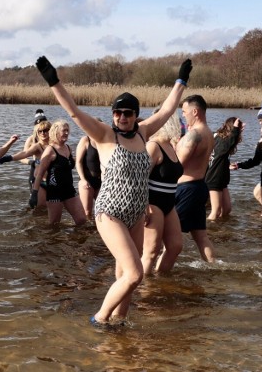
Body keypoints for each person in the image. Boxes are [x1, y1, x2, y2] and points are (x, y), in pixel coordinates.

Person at [35, 55, 192, 327]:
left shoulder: (143, 133)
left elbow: (167, 110)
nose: (122, 117)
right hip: (110, 212)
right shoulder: (105, 135)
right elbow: (74, 112)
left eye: (127, 113)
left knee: (124, 274)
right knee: (135, 274)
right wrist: (53, 81)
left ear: (135, 115)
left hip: (136, 214)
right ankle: (99, 319)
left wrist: (181, 81)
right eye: (117, 113)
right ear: (113, 115)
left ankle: (119, 321)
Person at [174, 95, 216, 264]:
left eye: (184, 112)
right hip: (199, 186)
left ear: (195, 111)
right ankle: (214, 267)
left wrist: (172, 146)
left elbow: (177, 165)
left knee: (168, 233)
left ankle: (159, 272)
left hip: (186, 189)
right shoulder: (208, 133)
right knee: (201, 236)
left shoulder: (194, 135)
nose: (183, 115)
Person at [141, 111, 184, 275]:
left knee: (175, 247)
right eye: (177, 121)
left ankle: (159, 283)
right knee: (151, 251)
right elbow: (141, 178)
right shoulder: (153, 146)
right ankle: (141, 289)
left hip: (169, 204)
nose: (180, 124)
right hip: (153, 203)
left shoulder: (171, 146)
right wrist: (144, 207)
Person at [30, 120, 86, 225]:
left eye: (67, 130)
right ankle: (51, 241)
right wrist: (34, 194)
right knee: (54, 225)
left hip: (69, 190)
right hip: (54, 191)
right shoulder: (50, 150)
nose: (66, 133)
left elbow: (70, 164)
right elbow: (40, 173)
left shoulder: (68, 148)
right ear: (55, 132)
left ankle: (73, 240)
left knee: (82, 220)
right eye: (63, 131)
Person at [0, 119, 52, 208]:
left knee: (54, 206)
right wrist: (10, 157)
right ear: (37, 133)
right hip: (41, 182)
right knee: (41, 207)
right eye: (40, 131)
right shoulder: (37, 146)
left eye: (46, 130)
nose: (43, 133)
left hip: (54, 181)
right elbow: (25, 153)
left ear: (51, 131)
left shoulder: (55, 145)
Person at [205, 117, 245, 220]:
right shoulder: (222, 140)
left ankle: (220, 229)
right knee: (216, 211)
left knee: (226, 209)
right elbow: (229, 143)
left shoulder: (220, 139)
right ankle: (207, 232)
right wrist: (236, 130)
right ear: (231, 129)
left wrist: (227, 165)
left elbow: (220, 155)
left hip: (221, 179)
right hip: (214, 178)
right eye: (237, 130)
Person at [75, 126, 102, 219]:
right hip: (87, 180)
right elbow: (78, 162)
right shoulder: (85, 140)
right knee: (87, 212)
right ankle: (85, 232)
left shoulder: (103, 142)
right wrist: (83, 179)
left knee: (103, 210)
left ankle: (98, 229)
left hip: (101, 181)